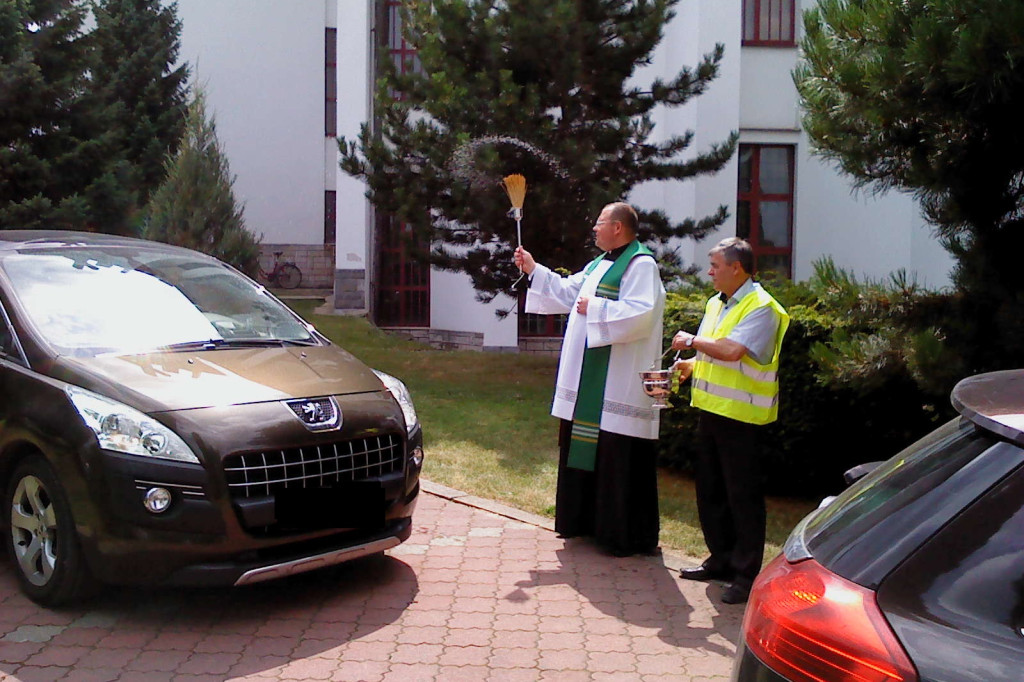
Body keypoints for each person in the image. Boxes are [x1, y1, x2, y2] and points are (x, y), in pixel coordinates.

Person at [514, 202, 666, 557]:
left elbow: (642, 314)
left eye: (599, 223)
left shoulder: (642, 265)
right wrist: (534, 269)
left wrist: (596, 309)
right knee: (586, 449)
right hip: (590, 383)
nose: (594, 230)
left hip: (617, 382)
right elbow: (570, 292)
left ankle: (622, 534)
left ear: (617, 227)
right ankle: (584, 522)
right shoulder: (602, 263)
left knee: (617, 454)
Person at [670, 237, 789, 604]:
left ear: (737, 268)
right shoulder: (715, 303)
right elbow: (716, 350)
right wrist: (691, 365)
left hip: (742, 418)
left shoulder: (763, 307)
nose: (710, 273)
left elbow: (733, 350)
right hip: (712, 411)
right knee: (710, 491)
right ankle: (719, 559)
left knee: (743, 498)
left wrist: (692, 342)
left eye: (715, 266)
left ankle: (744, 572)